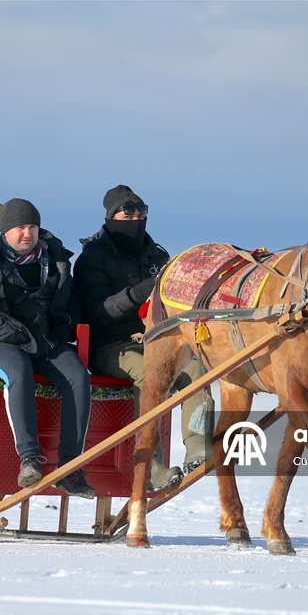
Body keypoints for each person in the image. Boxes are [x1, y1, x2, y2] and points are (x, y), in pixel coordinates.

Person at [0, 198, 95, 498]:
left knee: (78, 376)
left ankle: (70, 467)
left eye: (33, 227)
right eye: (21, 227)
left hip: (43, 340)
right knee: (18, 370)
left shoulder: (56, 260)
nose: (28, 233)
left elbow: (73, 302)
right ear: (5, 230)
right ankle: (29, 460)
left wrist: (65, 326)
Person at [74, 185, 214, 488]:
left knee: (197, 368)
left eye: (142, 211)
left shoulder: (157, 254)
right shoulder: (93, 259)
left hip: (156, 341)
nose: (137, 216)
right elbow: (98, 312)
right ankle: (151, 467)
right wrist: (138, 292)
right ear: (112, 216)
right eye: (129, 211)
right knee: (153, 373)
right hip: (109, 346)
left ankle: (198, 447)